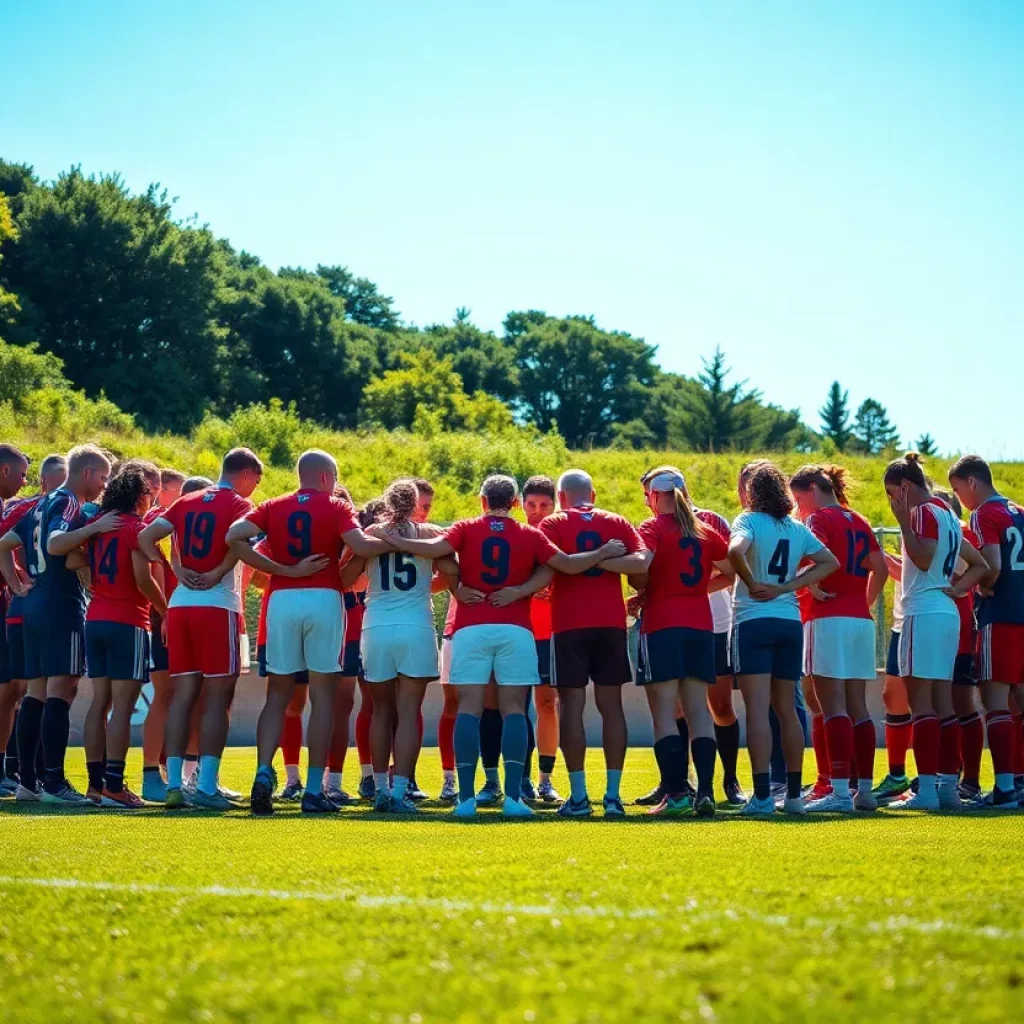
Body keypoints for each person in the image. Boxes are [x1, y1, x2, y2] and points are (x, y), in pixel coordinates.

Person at [388, 474, 625, 818]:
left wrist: (448, 577)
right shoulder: (529, 533)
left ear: (482, 500)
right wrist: (600, 553)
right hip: (515, 628)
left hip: (472, 626)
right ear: (515, 503)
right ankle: (514, 797)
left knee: (469, 708)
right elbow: (564, 566)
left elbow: (436, 551)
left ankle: (465, 799)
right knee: (516, 709)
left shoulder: (467, 528)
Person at [225, 450, 387, 815]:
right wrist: (395, 541)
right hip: (324, 599)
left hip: (281, 599)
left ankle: (264, 772)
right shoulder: (336, 506)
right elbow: (360, 546)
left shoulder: (273, 505)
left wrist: (281, 568)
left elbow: (235, 537)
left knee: (278, 696)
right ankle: (315, 789)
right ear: (328, 478)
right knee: (324, 696)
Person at [138, 449, 263, 810]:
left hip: (180, 606)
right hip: (217, 606)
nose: (254, 488)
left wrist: (175, 562)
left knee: (182, 695)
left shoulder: (185, 501)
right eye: (256, 480)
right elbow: (240, 544)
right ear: (245, 474)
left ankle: (175, 784)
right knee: (217, 697)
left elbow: (147, 539)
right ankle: (206, 785)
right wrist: (218, 571)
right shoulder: (239, 505)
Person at [0, 444, 116, 805]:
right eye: (102, 477)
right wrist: (95, 527)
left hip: (32, 605)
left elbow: (4, 543)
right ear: (86, 473)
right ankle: (54, 783)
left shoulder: (38, 502)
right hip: (59, 606)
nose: (103, 485)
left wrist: (17, 583)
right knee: (61, 691)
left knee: (35, 692)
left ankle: (28, 782)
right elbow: (55, 543)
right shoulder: (67, 503)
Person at [728, 461, 839, 817]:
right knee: (788, 711)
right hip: (789, 621)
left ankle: (761, 796)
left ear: (752, 493)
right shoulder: (795, 527)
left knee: (758, 711)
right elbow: (829, 562)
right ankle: (793, 795)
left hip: (753, 621)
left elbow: (734, 551)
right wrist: (789, 586)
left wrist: (751, 582)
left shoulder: (747, 520)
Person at [539, 470, 649, 819]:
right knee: (611, 706)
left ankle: (579, 797)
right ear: (594, 494)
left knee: (570, 706)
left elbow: (556, 567)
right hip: (610, 622)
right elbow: (642, 567)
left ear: (561, 496)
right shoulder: (616, 522)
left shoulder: (553, 524)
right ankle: (613, 797)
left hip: (568, 623)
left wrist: (584, 560)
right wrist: (606, 561)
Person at [883, 453, 989, 810]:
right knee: (943, 704)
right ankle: (945, 788)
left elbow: (924, 556)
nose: (892, 501)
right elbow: (980, 564)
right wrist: (958, 590)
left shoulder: (922, 513)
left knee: (922, 704)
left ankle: (927, 789)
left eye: (891, 493)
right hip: (945, 613)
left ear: (905, 487)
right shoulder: (947, 514)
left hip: (924, 611)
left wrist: (902, 523)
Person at [630, 469, 732, 816]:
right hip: (700, 625)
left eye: (649, 496)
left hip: (662, 625)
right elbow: (730, 572)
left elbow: (641, 570)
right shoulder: (705, 529)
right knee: (698, 711)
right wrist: (696, 590)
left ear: (656, 497)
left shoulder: (652, 527)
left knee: (663, 714)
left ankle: (676, 796)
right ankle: (705, 792)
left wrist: (647, 591)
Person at [789, 464, 888, 813]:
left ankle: (840, 793)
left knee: (831, 707)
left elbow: (822, 560)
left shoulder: (818, 520)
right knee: (858, 706)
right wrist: (865, 602)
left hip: (826, 618)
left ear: (814, 489)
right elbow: (882, 567)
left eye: (799, 499)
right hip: (859, 620)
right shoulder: (857, 519)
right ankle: (865, 791)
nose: (799, 508)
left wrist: (806, 578)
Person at [359, 480, 453, 812]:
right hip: (416, 625)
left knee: (380, 710)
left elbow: (346, 576)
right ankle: (401, 792)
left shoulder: (371, 532)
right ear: (415, 504)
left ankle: (381, 789)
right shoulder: (429, 533)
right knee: (409, 711)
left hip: (377, 626)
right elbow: (453, 572)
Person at [81, 461, 167, 807]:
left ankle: (94, 785)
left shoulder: (97, 525)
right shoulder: (135, 527)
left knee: (98, 702)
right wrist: (165, 610)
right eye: (149, 492)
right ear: (138, 495)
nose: (151, 498)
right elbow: (143, 578)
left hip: (95, 617)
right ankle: (114, 785)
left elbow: (75, 558)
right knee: (123, 705)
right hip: (127, 621)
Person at [948, 454, 1024, 808]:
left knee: (995, 702)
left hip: (1001, 614)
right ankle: (1019, 782)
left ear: (972, 483)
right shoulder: (1019, 511)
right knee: (1020, 702)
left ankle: (1005, 787)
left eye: (957, 488)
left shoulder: (983, 514)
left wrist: (975, 586)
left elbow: (991, 565)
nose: (960, 497)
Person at [0, 454, 67, 797]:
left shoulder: (54, 507)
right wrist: (14, 581)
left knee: (26, 688)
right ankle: (20, 770)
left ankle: (28, 772)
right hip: (29, 608)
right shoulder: (30, 508)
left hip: (30, 608)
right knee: (23, 688)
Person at [521, 475, 561, 803]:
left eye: (545, 505)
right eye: (531, 505)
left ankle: (545, 779)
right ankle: (518, 779)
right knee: (515, 706)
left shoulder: (561, 541)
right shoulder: (516, 539)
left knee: (547, 704)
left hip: (550, 634)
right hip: (519, 633)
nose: (537, 511)